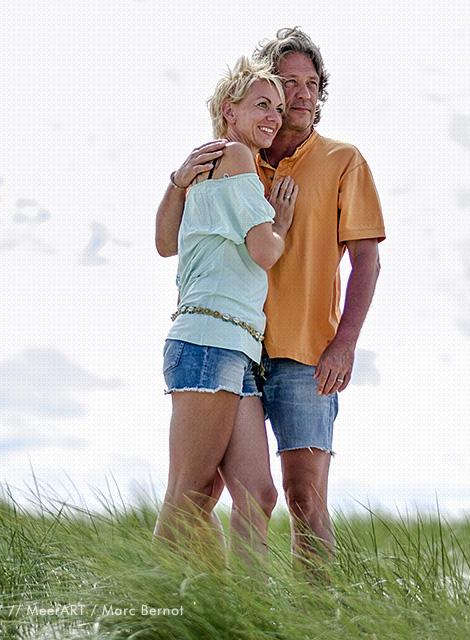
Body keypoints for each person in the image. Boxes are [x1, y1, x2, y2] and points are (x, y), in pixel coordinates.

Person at [155, 27, 385, 576]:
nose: (299, 96)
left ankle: (313, 619)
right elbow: (173, 244)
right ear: (249, 101)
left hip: (307, 355)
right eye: (285, 86)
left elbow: (366, 259)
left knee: (301, 497)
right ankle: (188, 609)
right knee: (205, 490)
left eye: (311, 85)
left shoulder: (343, 160)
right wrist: (178, 181)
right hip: (233, 348)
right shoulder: (235, 157)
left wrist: (345, 344)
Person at [152, 57, 299, 561]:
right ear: (227, 111)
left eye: (278, 108)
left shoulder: (215, 168)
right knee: (189, 497)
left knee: (257, 494)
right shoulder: (235, 157)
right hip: (207, 343)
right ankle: (155, 613)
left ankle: (241, 616)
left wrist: (177, 182)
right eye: (262, 104)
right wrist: (280, 221)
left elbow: (164, 243)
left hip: (237, 350)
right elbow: (265, 250)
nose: (275, 116)